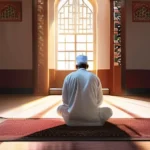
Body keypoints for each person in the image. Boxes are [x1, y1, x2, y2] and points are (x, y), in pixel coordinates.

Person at [57, 55, 113, 126]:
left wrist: (74, 107)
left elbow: (65, 101)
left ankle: (74, 120)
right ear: (87, 66)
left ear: (76, 66)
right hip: (93, 117)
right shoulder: (94, 77)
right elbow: (99, 101)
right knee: (109, 111)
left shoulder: (68, 77)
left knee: (59, 109)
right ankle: (92, 120)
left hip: (72, 118)